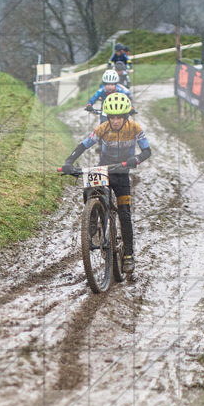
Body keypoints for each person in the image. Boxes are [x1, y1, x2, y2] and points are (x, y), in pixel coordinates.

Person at [61, 92, 151, 274]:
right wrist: (69, 162)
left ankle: (129, 255)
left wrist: (136, 159)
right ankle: (93, 218)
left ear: (126, 117)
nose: (115, 121)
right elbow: (83, 145)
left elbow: (147, 151)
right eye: (112, 117)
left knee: (125, 214)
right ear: (107, 117)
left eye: (119, 117)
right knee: (90, 188)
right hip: (104, 169)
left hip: (122, 172)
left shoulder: (135, 128)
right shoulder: (102, 128)